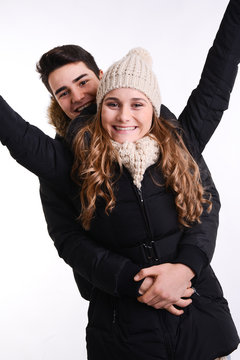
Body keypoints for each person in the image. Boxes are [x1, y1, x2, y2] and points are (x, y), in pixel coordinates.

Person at [0, 0, 240, 358]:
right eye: (62, 92)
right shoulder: (60, 161)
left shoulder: (174, 138)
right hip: (123, 325)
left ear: (102, 77)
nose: (77, 96)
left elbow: (205, 202)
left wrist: (185, 268)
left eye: (83, 82)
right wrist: (140, 283)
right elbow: (69, 240)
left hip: (199, 314)